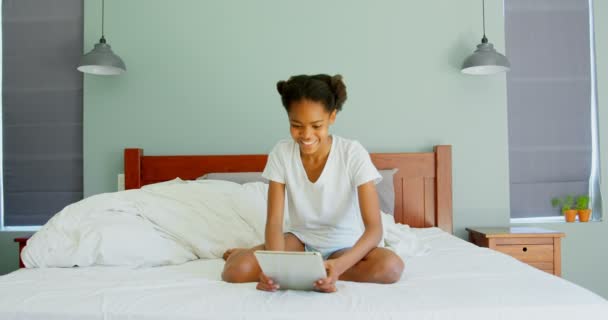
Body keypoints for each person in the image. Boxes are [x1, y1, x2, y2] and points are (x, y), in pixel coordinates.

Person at [221, 74, 404, 293]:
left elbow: (374, 230)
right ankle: (308, 272)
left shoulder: (352, 153)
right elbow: (274, 221)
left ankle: (312, 272)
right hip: (301, 243)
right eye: (296, 125)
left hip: (346, 247)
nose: (306, 135)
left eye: (316, 125)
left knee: (391, 267)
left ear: (332, 117)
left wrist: (338, 267)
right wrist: (276, 269)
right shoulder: (282, 153)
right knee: (235, 271)